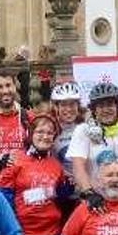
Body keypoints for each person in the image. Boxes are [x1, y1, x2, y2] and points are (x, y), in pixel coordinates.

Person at [67, 82, 118, 213]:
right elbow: (78, 167)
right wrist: (89, 193)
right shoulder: (83, 130)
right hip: (96, 200)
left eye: (109, 105)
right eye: (100, 106)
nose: (105, 110)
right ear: (94, 109)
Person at [50, 81, 84, 220]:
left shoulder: (87, 127)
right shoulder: (50, 130)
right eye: (63, 104)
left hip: (84, 193)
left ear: (78, 106)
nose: (68, 109)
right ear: (56, 107)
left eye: (72, 104)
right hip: (61, 194)